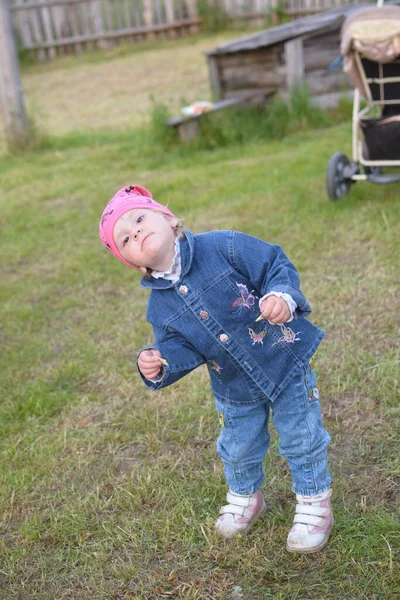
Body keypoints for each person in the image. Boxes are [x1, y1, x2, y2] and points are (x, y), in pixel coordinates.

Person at [99, 184, 334, 554]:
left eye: (140, 218)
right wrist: (158, 362)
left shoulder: (222, 245)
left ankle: (313, 503)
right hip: (233, 385)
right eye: (125, 238)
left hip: (283, 359)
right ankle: (245, 497)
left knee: (301, 437)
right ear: (133, 262)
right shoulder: (158, 308)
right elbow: (179, 347)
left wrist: (281, 296)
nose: (137, 231)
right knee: (237, 448)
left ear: (167, 217)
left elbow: (273, 262)